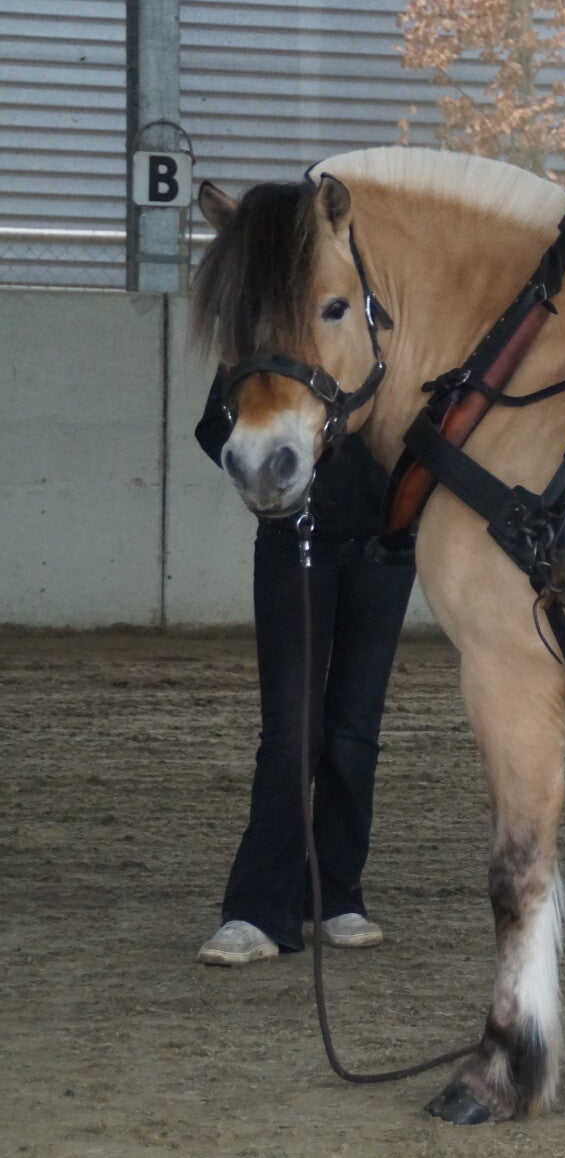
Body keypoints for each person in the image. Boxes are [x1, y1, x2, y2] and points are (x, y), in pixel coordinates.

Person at [193, 373, 416, 966]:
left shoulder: (391, 342)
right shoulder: (280, 342)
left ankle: (336, 892)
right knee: (292, 731)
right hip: (294, 539)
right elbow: (218, 423)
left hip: (386, 547)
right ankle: (257, 909)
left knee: (355, 732)